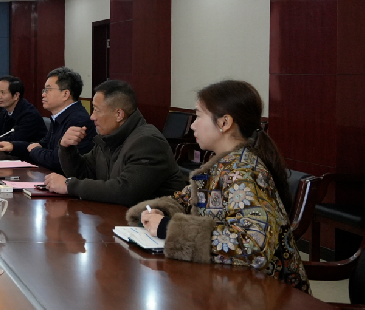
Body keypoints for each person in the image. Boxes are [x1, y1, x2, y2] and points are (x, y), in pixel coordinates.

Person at [126, 80, 309, 291]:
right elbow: (185, 199)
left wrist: (168, 228)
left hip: (269, 296)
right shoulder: (221, 165)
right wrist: (159, 211)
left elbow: (253, 245)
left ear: (224, 123)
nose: (193, 125)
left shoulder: (243, 172)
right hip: (233, 287)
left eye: (198, 116)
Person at [44, 79, 187, 205]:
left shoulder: (147, 142)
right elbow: (84, 173)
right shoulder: (108, 138)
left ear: (119, 114)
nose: (92, 117)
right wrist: (67, 149)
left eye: (97, 110)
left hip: (152, 223)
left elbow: (126, 191)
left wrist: (69, 186)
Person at [0, 67, 95, 172]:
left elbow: (58, 160)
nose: (43, 94)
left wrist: (35, 150)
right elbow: (43, 144)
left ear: (65, 94)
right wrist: (13, 146)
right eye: (44, 90)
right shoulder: (60, 116)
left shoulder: (78, 120)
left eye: (48, 90)